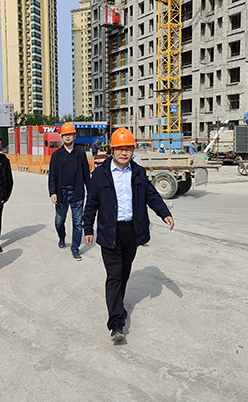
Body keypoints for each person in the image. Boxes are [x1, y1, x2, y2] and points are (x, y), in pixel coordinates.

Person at [83, 127, 174, 343]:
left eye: (128, 149)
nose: (124, 153)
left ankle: (118, 305)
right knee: (114, 276)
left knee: (124, 273)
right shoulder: (100, 175)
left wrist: (164, 213)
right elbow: (91, 203)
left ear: (133, 150)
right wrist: (87, 228)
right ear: (112, 150)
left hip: (131, 231)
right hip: (109, 231)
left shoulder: (138, 172)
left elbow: (152, 196)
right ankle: (116, 323)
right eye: (120, 149)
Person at [48, 122, 90, 261]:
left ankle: (75, 248)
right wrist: (52, 192)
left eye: (70, 134)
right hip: (62, 193)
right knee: (59, 220)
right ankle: (62, 237)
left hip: (77, 192)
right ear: (61, 136)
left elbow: (86, 175)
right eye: (65, 134)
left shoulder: (81, 154)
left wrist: (91, 192)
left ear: (74, 136)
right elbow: (52, 175)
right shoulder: (56, 155)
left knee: (77, 222)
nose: (67, 137)